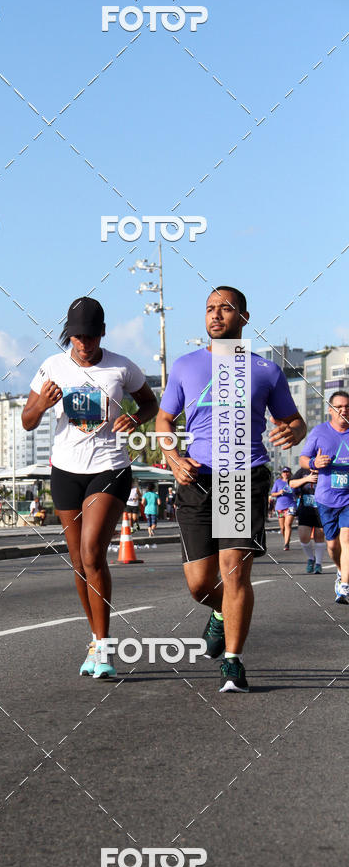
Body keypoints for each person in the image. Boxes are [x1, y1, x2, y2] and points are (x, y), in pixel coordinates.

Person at [155, 286, 306, 692]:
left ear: (244, 317)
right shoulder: (186, 366)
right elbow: (164, 421)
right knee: (199, 583)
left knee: (233, 573)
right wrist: (173, 458)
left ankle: (233, 663)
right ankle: (221, 614)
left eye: (225, 308)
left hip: (244, 476)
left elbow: (294, 421)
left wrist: (291, 431)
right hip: (196, 478)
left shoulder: (266, 370)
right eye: (210, 309)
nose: (216, 315)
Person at [22, 297, 158, 679]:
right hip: (66, 470)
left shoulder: (121, 367)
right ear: (69, 335)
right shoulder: (52, 367)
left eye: (90, 336)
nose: (83, 343)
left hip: (109, 468)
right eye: (77, 337)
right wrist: (43, 405)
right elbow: (27, 421)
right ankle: (95, 638)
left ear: (102, 333)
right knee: (79, 564)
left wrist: (135, 418)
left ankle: (105, 646)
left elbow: (150, 403)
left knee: (92, 552)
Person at [299, 390, 349, 604]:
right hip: (326, 497)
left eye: (347, 407)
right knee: (332, 546)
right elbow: (303, 458)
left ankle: (345, 586)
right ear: (330, 410)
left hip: (348, 498)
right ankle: (340, 570)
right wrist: (313, 464)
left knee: (347, 539)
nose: (344, 410)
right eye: (339, 407)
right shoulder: (320, 432)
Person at [289, 466, 325, 574]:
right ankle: (311, 558)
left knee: (319, 536)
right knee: (304, 537)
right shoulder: (303, 470)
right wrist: (306, 479)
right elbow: (291, 483)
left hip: (322, 508)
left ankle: (318, 564)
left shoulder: (326, 470)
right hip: (306, 508)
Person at [270, 467, 296, 550]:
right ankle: (286, 538)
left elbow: (298, 491)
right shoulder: (278, 482)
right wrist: (279, 492)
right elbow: (272, 494)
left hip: (291, 506)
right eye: (284, 472)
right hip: (280, 507)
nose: (285, 473)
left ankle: (286, 543)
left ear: (290, 473)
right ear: (281, 474)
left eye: (287, 472)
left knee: (288, 524)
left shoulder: (293, 482)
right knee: (282, 528)